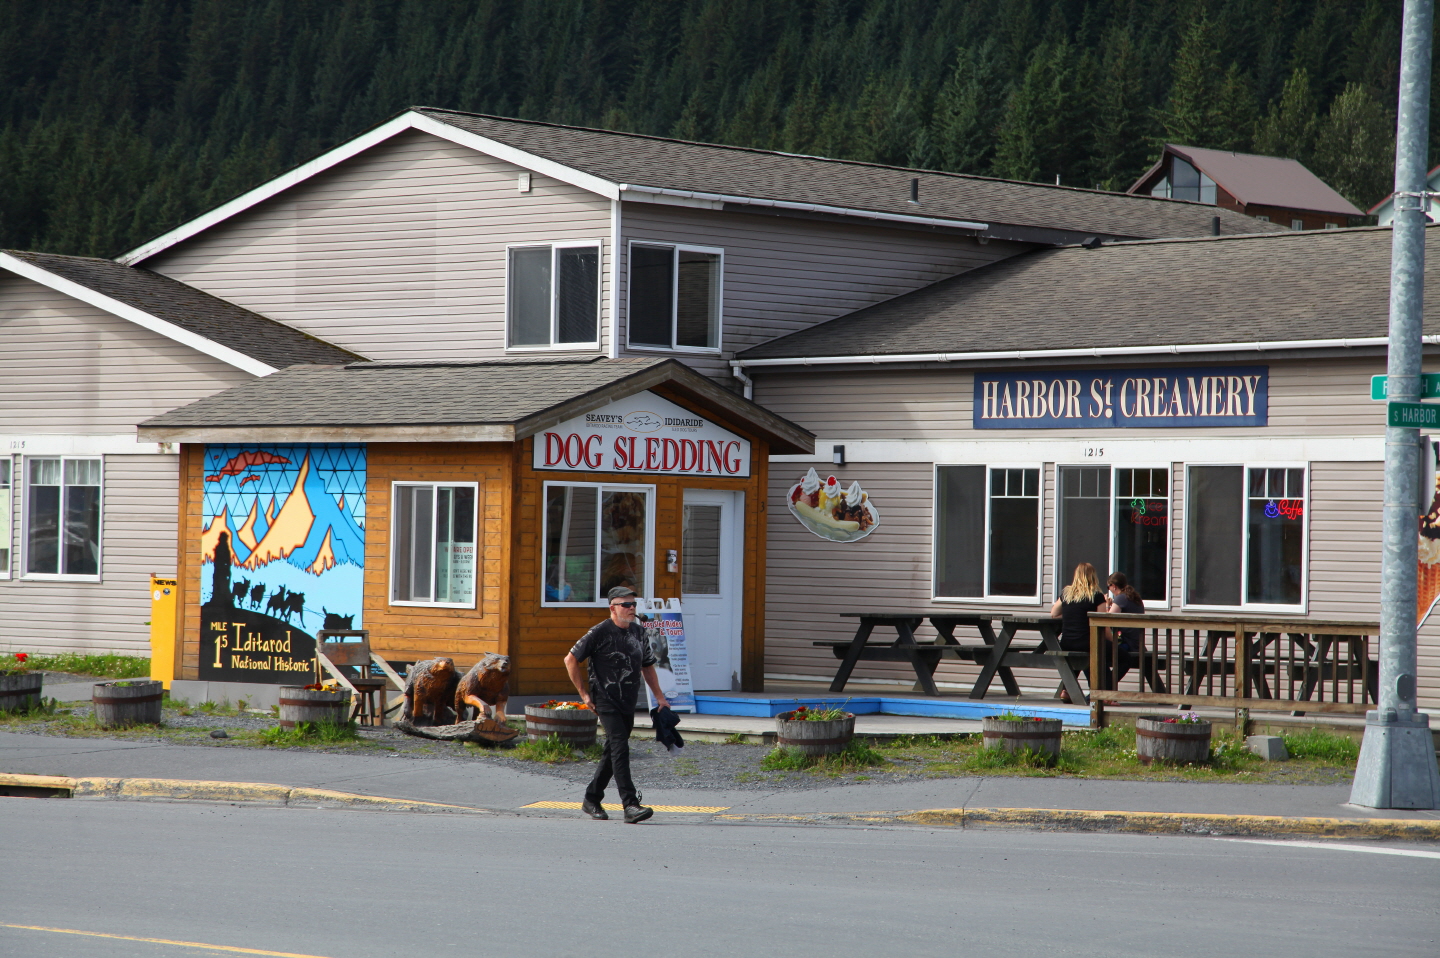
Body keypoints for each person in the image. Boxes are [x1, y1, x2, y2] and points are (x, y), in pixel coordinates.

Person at [564, 585, 669, 824]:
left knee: (612, 750)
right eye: (626, 605)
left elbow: (648, 666)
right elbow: (570, 659)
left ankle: (591, 798)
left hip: (628, 700)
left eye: (634, 604)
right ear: (613, 608)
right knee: (620, 748)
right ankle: (630, 804)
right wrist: (584, 694)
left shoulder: (639, 632)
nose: (632, 608)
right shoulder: (599, 632)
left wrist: (660, 697)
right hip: (605, 698)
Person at [1049, 562, 1107, 703]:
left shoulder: (1067, 594)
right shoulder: (1097, 596)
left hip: (1067, 642)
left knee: (1081, 658)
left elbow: (1054, 613)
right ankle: (1101, 692)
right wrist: (1113, 641)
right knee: (1115, 655)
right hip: (1088, 642)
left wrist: (1071, 614)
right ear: (1093, 576)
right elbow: (1102, 622)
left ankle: (1066, 690)